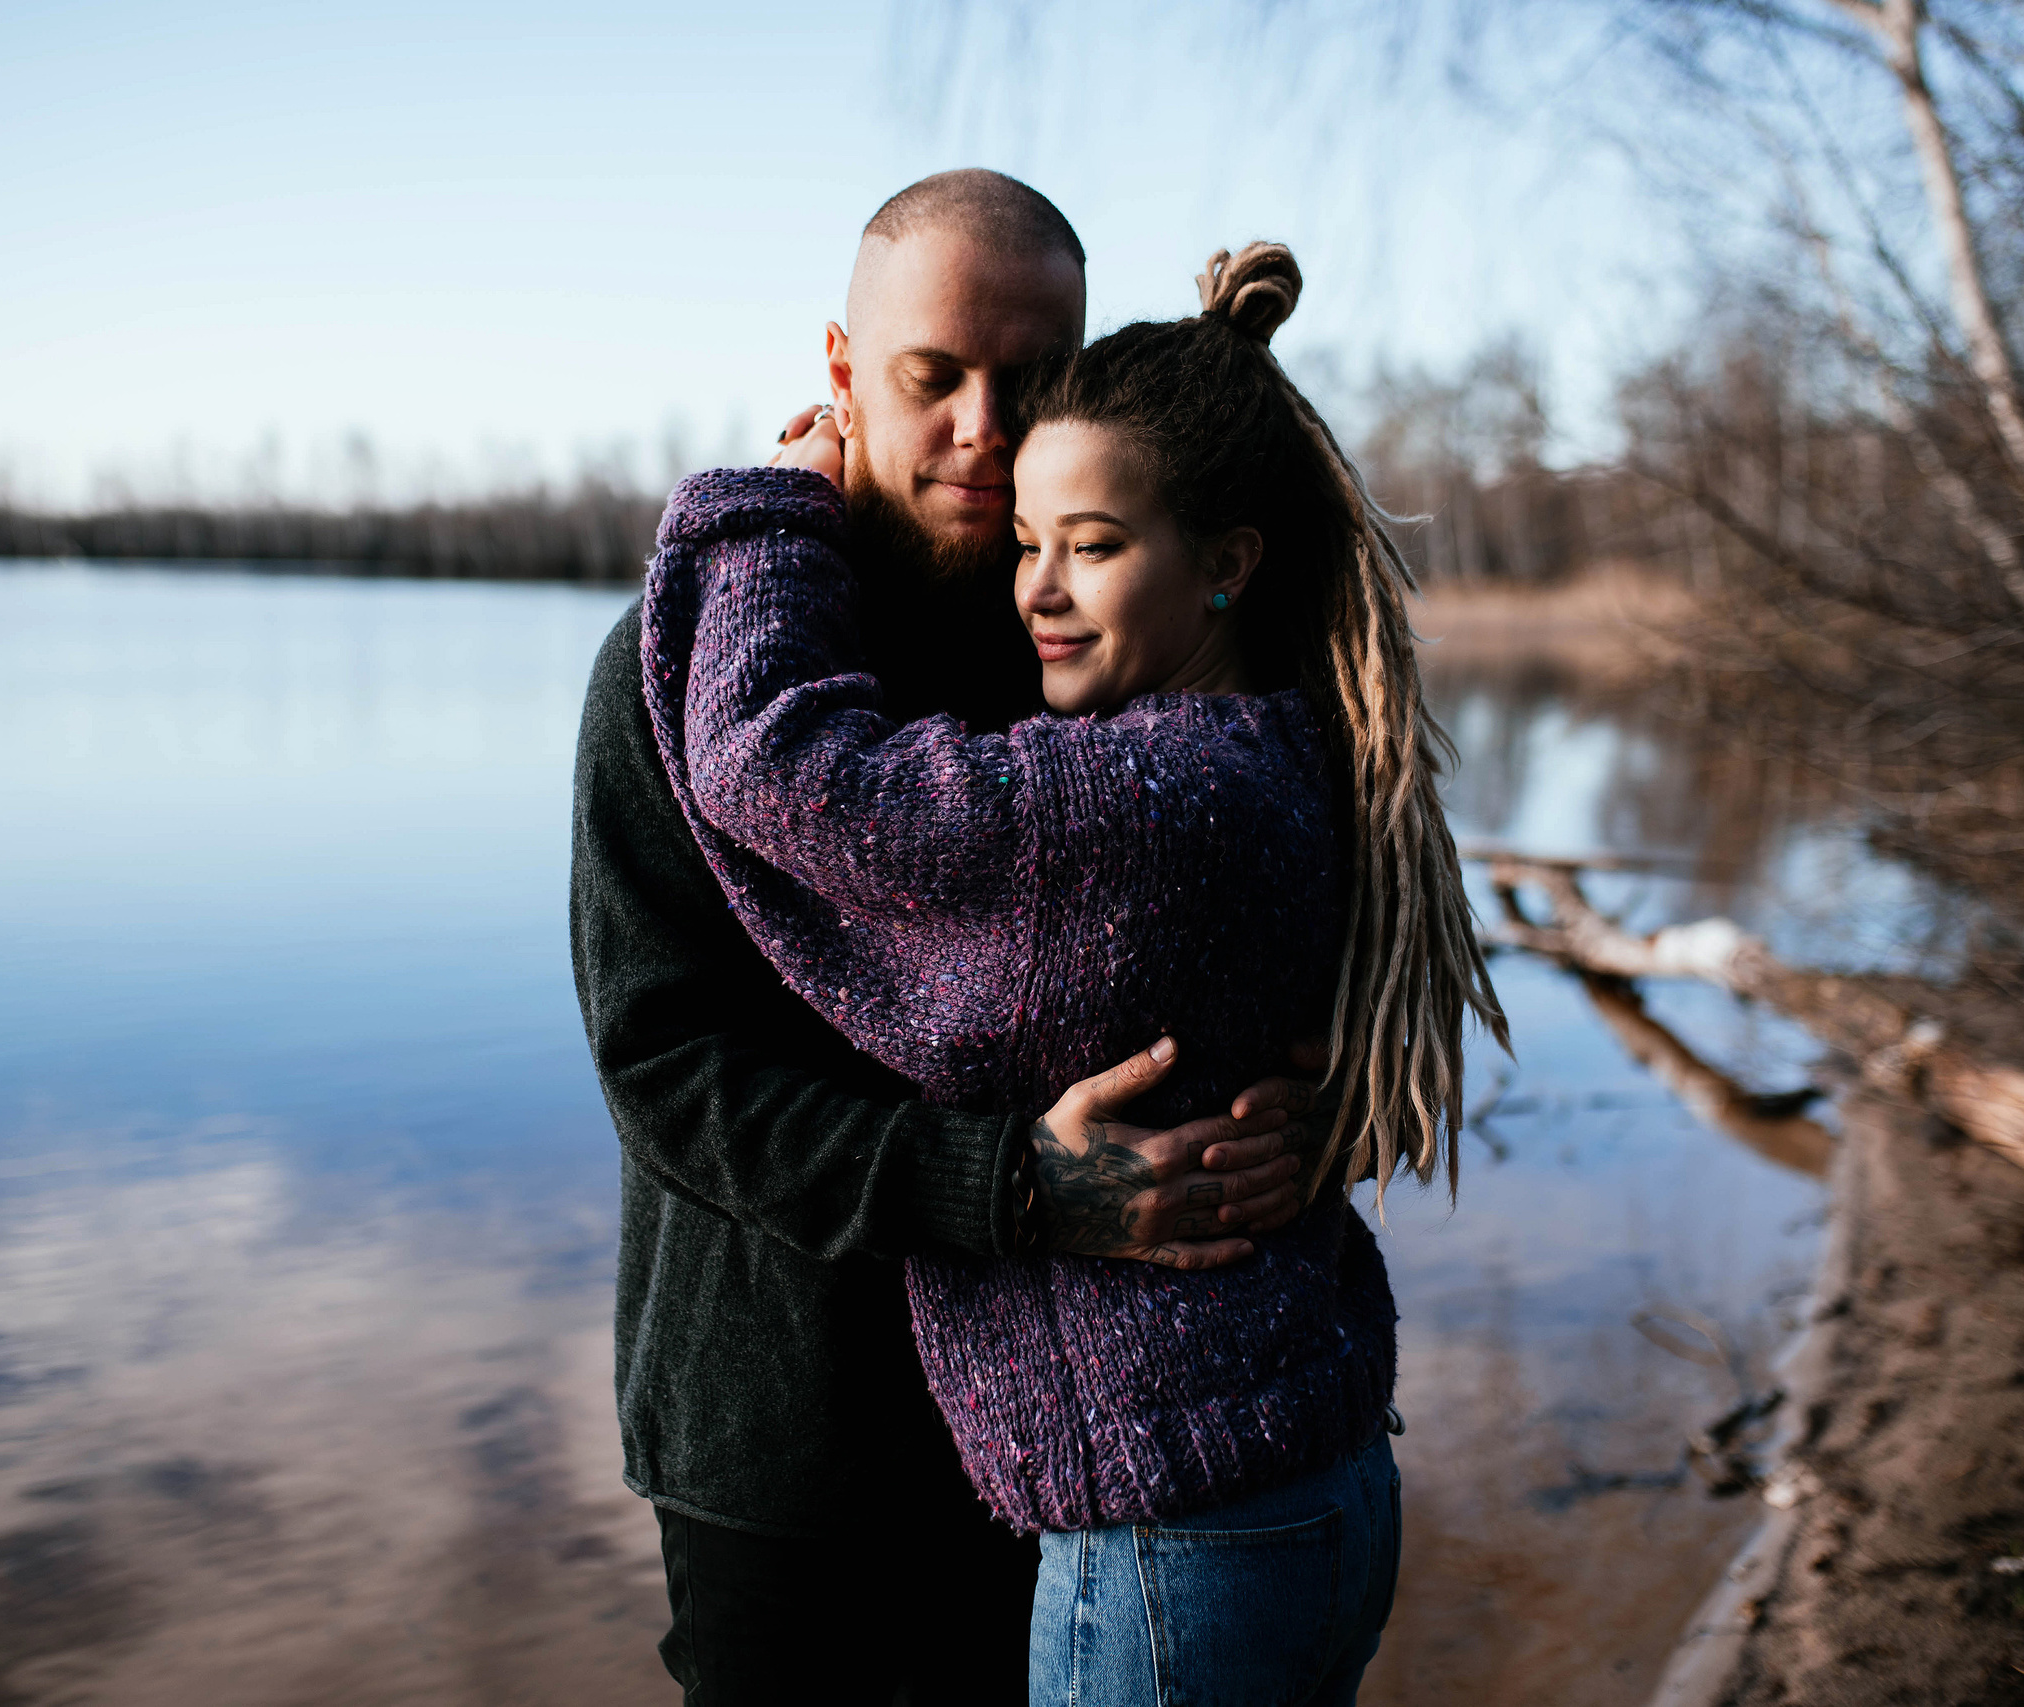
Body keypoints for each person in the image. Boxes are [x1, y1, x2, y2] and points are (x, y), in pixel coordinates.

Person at [643, 241, 1506, 1705]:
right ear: (848, 372)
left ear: (1225, 559)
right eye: (935, 380)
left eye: (1089, 543)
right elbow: (664, 1060)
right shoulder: (1281, 729)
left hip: (1176, 1512)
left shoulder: (1141, 778)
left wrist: (763, 514)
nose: (1036, 585)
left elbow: (785, 766)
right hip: (1231, 1462)